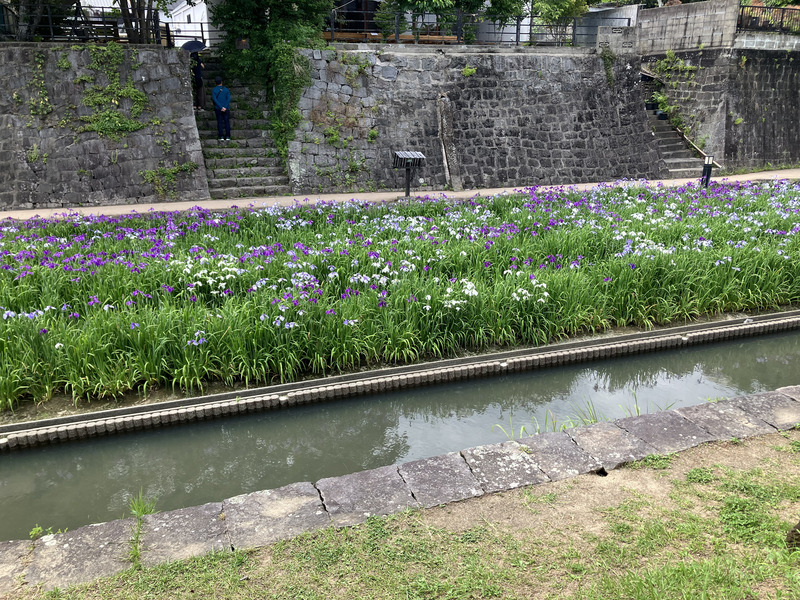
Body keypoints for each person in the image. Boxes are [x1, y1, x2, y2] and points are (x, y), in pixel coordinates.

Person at [212, 75, 231, 141]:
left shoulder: (214, 90)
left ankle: (221, 136)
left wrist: (220, 107)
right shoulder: (226, 89)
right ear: (221, 82)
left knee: (219, 122)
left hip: (218, 108)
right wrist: (225, 107)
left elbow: (215, 99)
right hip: (226, 108)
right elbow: (228, 99)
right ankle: (228, 136)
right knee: (226, 122)